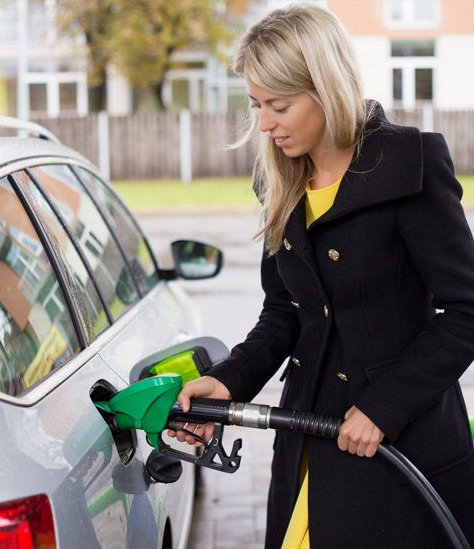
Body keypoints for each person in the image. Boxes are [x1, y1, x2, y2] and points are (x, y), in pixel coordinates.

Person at [169, 5, 474, 548]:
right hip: (309, 443)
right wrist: (229, 379)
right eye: (256, 105)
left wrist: (385, 405)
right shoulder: (281, 183)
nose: (264, 123)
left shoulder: (412, 164)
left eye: (278, 105)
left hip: (401, 456)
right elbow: (284, 311)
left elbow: (467, 312)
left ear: (325, 88)